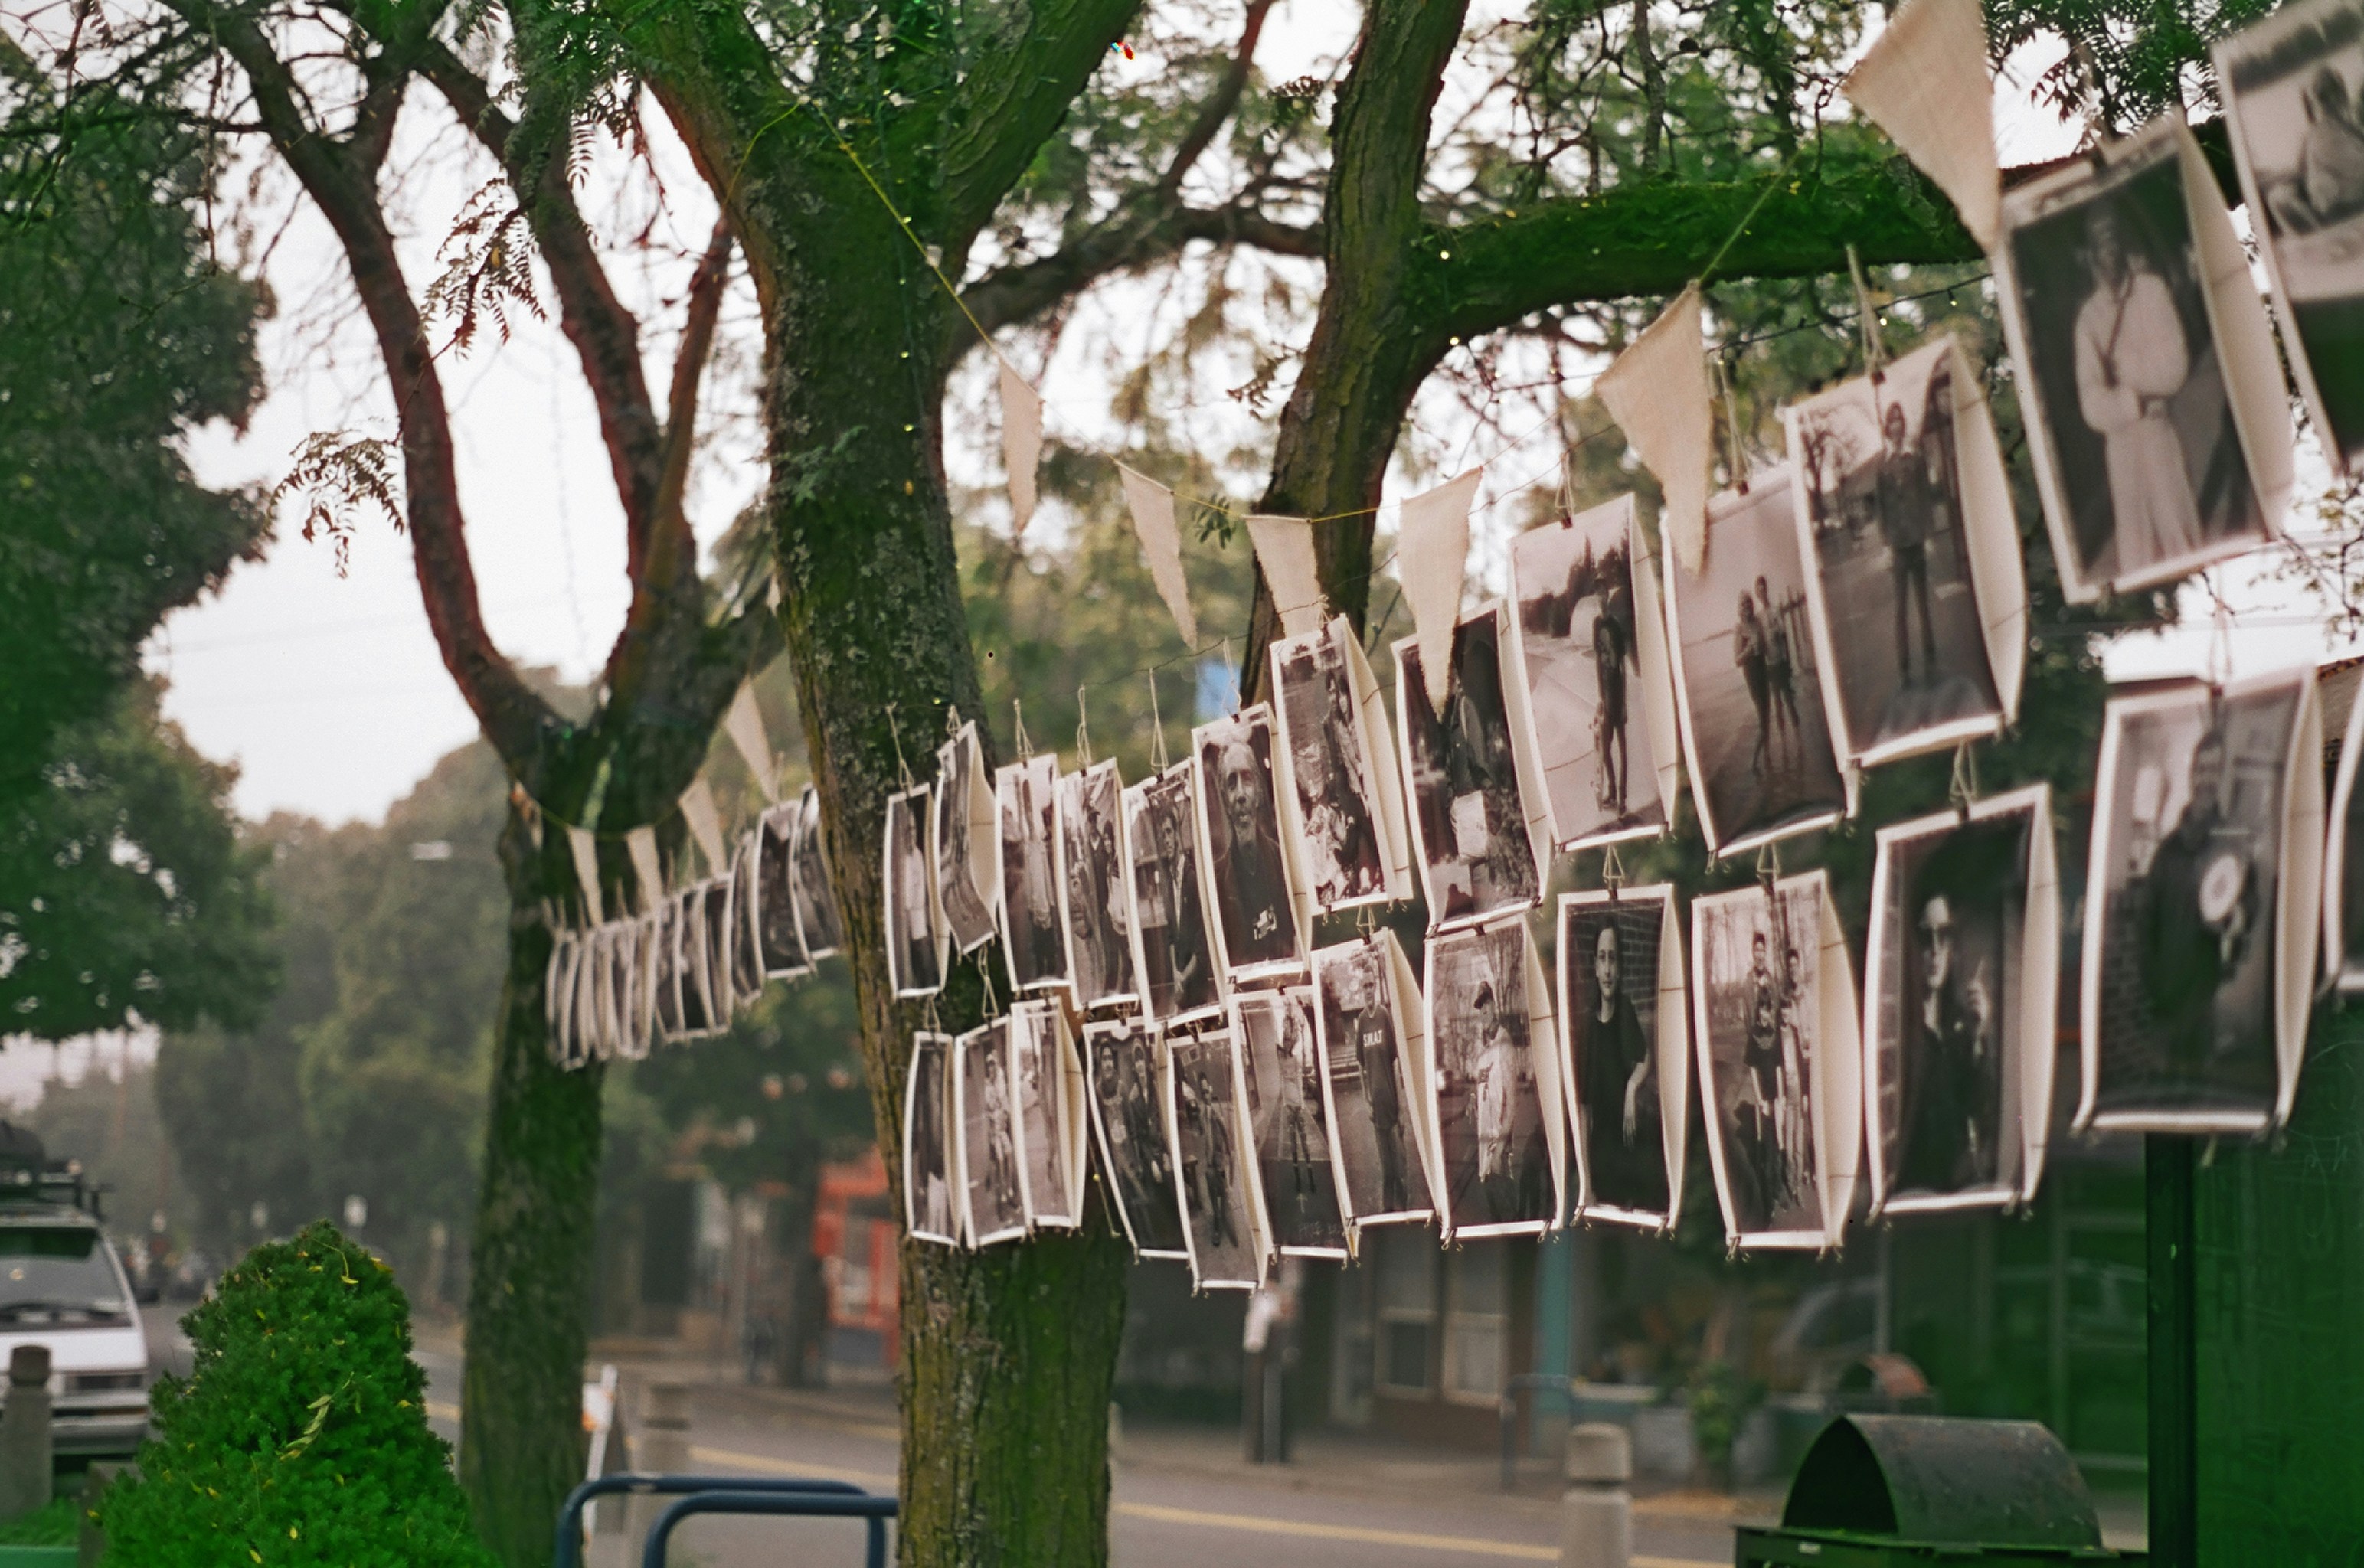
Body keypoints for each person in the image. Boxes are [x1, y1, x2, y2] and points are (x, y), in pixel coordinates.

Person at [2072, 204, 2203, 573]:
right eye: (2099, 242)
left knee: (2179, 529)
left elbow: (2175, 367)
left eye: (2113, 237)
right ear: (2090, 254)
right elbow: (2091, 403)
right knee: (2136, 544)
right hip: (2120, 443)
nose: (2108, 249)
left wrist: (2128, 391)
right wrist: (2135, 399)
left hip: (2157, 429)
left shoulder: (2152, 291)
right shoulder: (2089, 318)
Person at [2138, 720, 2264, 1088]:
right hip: (2164, 1000)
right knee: (2162, 1097)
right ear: (2191, 775)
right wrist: (2153, 983)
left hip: (2206, 1000)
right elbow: (2146, 923)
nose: (2206, 778)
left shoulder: (2233, 845)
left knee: (2199, 1093)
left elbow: (2249, 910)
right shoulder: (2167, 851)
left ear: (2222, 776)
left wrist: (2234, 920)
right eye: (2201, 769)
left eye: (2214, 770)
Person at [1898, 890, 1998, 1193]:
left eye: (1945, 936)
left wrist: (1980, 1032)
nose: (1936, 950)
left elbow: (1979, 1108)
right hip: (1915, 1194)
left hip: (1956, 1191)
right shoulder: (1902, 1031)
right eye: (1926, 937)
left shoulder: (1956, 1027)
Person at [1581, 921, 1666, 1214]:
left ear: (1619, 968)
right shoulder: (1587, 1027)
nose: (1607, 970)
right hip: (1601, 1159)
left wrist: (1631, 1088)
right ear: (1595, 967)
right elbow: (1584, 1110)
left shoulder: (1625, 1010)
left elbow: (1645, 1058)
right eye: (1602, 958)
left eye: (1613, 959)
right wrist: (1586, 1184)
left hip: (1628, 1153)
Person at [1211, 733, 1293, 967]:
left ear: (1257, 793)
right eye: (1231, 783)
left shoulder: (1284, 863)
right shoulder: (1217, 881)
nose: (1241, 795)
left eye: (1247, 779)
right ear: (1226, 801)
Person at [1876, 399, 1941, 682]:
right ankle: (1904, 666)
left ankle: (1931, 657)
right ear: (1887, 428)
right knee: (1901, 608)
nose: (1897, 426)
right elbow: (1881, 509)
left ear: (1904, 426)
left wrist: (1929, 535)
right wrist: (1886, 545)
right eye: (1892, 422)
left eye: (1900, 421)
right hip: (1898, 545)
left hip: (1917, 539)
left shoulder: (1915, 459)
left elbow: (1926, 498)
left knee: (1924, 603)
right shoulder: (1882, 466)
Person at [1354, 964, 1413, 1214]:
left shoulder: (1384, 1015)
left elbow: (1396, 1062)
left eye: (1371, 985)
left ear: (1375, 987)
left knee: (1400, 1167)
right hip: (1376, 1109)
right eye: (1364, 986)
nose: (1368, 990)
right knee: (1386, 1169)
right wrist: (1367, 1099)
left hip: (1392, 1104)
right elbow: (1361, 1066)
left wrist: (1401, 1109)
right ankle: (1389, 1214)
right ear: (1361, 989)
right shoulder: (1360, 1021)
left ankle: (1407, 1212)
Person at [2287, 64, 2364, 232]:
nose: (2334, 100)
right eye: (2324, 96)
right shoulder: (2325, 135)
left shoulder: (2340, 127)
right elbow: (2359, 171)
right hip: (2344, 212)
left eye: (2336, 91)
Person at [1593, 550, 1637, 817]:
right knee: (1605, 747)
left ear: (1607, 596)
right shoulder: (1597, 624)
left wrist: (1622, 703)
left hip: (1617, 692)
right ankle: (1611, 788)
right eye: (1597, 593)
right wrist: (1600, 696)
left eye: (1604, 592)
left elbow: (1620, 666)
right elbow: (1598, 660)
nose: (1601, 597)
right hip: (1605, 693)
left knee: (1622, 747)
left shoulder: (1617, 626)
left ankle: (1622, 798)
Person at [1757, 577, 1803, 753]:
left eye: (1763, 589)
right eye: (1759, 590)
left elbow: (1784, 636)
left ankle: (1798, 737)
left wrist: (1788, 659)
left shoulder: (1776, 610)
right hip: (1770, 666)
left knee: (1789, 700)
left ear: (1767, 590)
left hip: (1781, 661)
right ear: (1757, 593)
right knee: (1777, 704)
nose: (1762, 592)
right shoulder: (1759, 618)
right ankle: (1784, 741)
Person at [1734, 591, 1773, 777]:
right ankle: (1754, 762)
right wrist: (1750, 648)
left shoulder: (1757, 623)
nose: (1747, 607)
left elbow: (1764, 648)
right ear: (1739, 609)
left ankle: (1766, 756)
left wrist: (1763, 646)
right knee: (1762, 719)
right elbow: (1737, 660)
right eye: (1743, 605)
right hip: (1752, 675)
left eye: (1749, 604)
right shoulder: (1739, 629)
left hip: (1763, 670)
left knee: (1767, 715)